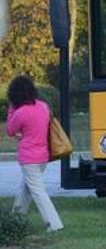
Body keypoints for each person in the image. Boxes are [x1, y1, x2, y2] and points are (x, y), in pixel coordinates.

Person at [5, 75, 64, 232]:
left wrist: (11, 108)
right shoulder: (43, 106)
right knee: (26, 189)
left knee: (38, 192)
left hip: (28, 158)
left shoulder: (20, 112)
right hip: (43, 156)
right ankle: (15, 218)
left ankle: (54, 224)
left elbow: (10, 131)